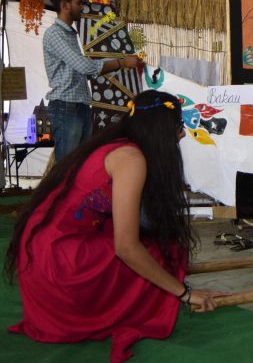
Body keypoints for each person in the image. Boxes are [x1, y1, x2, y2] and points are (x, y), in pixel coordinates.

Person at [4, 90, 221, 362]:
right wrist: (184, 293)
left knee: (159, 245)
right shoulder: (131, 159)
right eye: (178, 126)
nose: (182, 135)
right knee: (154, 252)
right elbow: (126, 248)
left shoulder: (116, 144)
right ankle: (153, 301)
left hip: (40, 254)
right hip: (57, 268)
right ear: (160, 128)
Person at [44, 0, 143, 161]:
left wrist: (122, 62)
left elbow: (87, 69)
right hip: (66, 106)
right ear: (65, 5)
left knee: (79, 163)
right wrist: (120, 63)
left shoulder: (69, 34)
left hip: (78, 105)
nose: (82, 7)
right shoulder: (55, 34)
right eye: (78, 3)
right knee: (67, 165)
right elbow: (85, 67)